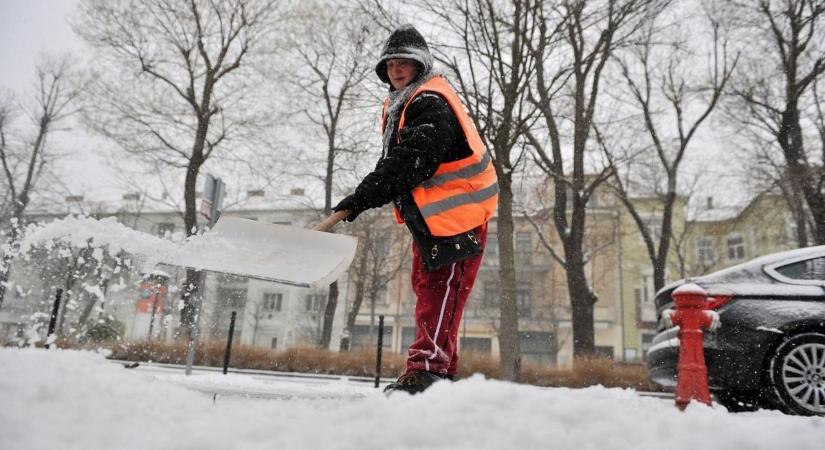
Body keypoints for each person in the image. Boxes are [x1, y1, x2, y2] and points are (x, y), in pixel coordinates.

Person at [333, 24, 498, 395]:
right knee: (430, 289)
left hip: (461, 216)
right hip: (436, 218)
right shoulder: (404, 104)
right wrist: (363, 195)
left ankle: (428, 370)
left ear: (419, 64)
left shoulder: (430, 102)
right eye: (389, 64)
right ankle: (439, 373)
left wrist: (361, 197)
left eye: (403, 62)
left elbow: (411, 162)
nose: (395, 69)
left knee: (441, 290)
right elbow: (400, 161)